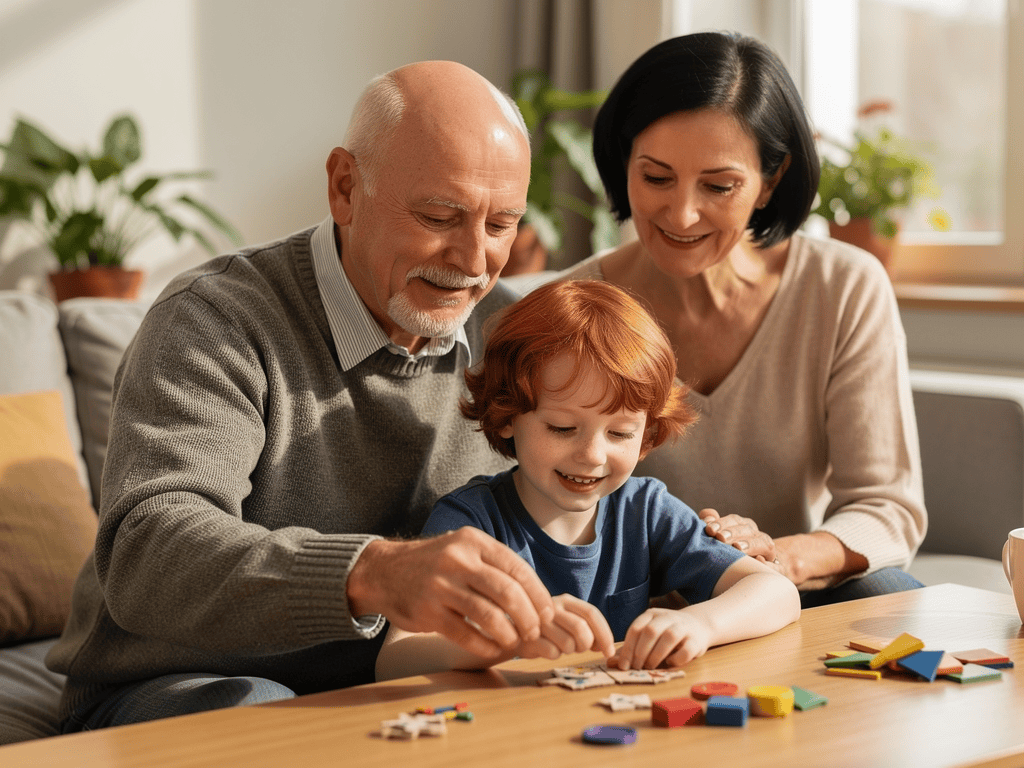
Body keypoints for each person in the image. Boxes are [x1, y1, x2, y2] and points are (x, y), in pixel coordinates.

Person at [45, 60, 575, 731]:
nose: (473, 261)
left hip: (401, 688)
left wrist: (708, 541)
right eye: (441, 214)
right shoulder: (214, 320)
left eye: (501, 225)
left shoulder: (511, 331)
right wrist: (372, 571)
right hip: (178, 683)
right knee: (265, 716)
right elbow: (149, 554)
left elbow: (597, 480)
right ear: (346, 187)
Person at [562, 32, 927, 607]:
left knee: (891, 596)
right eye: (656, 178)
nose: (681, 213)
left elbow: (886, 507)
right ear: (623, 160)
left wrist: (779, 558)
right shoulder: (572, 305)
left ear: (770, 181)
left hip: (785, 583)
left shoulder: (842, 287)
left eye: (719, 185)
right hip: (632, 602)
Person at [375, 279, 801, 681]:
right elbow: (394, 660)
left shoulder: (646, 510)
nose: (593, 455)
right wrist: (500, 641)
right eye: (562, 428)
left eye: (620, 433)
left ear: (647, 435)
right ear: (506, 416)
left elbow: (777, 592)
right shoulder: (470, 521)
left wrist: (700, 624)